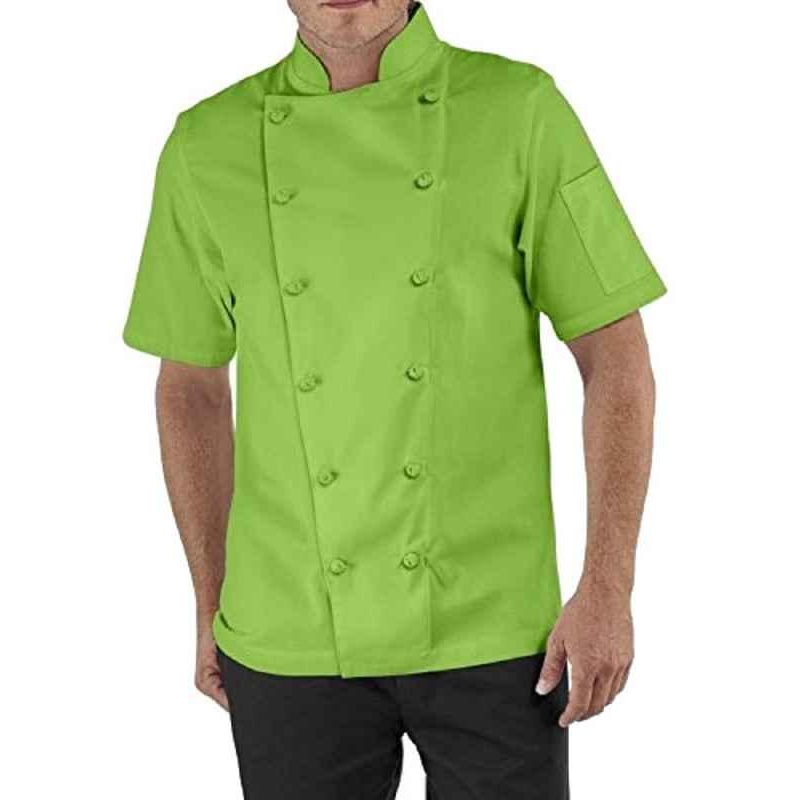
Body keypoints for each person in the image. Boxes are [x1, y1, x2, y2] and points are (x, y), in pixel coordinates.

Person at [123, 1, 665, 797]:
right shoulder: (204, 145)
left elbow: (615, 356)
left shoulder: (521, 112)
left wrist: (609, 587)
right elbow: (190, 388)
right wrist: (211, 599)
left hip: (498, 627)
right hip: (286, 630)